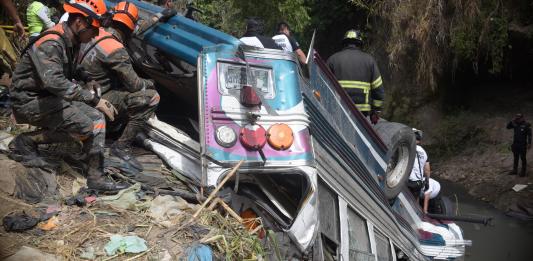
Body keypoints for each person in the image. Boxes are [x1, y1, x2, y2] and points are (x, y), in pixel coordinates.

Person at [9, 0, 126, 192]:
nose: (96, 34)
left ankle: (96, 177)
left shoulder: (70, 40)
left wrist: (87, 78)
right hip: (27, 101)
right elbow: (54, 82)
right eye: (94, 29)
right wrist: (95, 100)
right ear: (80, 22)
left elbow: (71, 67)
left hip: (46, 97)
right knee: (85, 126)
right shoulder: (51, 42)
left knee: (97, 120)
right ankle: (27, 141)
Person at [78, 1, 159, 171]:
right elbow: (135, 85)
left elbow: (136, 29)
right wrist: (151, 82)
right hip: (95, 104)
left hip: (78, 96)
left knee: (120, 89)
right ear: (129, 28)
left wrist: (159, 17)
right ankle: (121, 147)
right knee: (151, 97)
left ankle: (112, 129)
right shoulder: (116, 49)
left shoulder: (94, 32)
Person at [327, 29, 384, 116]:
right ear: (359, 43)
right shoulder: (369, 60)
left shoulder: (332, 59)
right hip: (362, 111)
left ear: (344, 43)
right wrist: (376, 110)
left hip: (339, 107)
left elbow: (324, 84)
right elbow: (378, 89)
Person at [407, 128, 430, 200]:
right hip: (418, 183)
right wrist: (427, 182)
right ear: (419, 141)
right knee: (413, 202)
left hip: (407, 180)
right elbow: (427, 170)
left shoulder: (407, 147)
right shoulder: (424, 153)